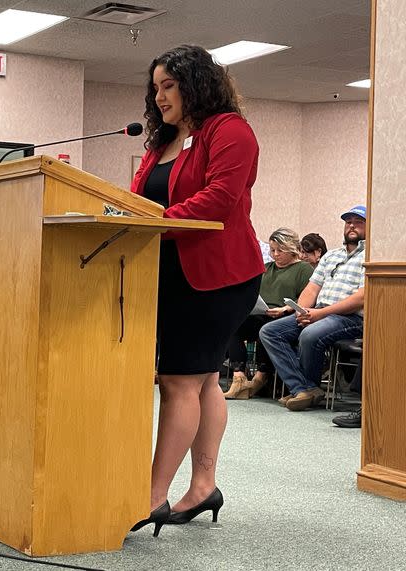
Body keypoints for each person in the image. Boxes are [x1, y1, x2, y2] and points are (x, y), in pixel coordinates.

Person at [128, 45, 264, 536]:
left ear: (196, 84)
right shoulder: (161, 139)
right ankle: (203, 485)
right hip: (170, 271)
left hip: (219, 275)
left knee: (179, 380)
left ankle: (152, 495)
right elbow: (140, 198)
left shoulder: (229, 130)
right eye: (156, 87)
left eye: (170, 86)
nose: (160, 96)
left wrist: (154, 222)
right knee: (203, 379)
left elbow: (220, 200)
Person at [258, 206, 366, 411]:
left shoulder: (370, 256)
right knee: (270, 331)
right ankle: (304, 389)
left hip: (350, 318)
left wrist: (320, 314)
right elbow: (312, 288)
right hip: (319, 313)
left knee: (309, 334)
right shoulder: (332, 256)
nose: (351, 225)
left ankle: (306, 389)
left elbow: (361, 298)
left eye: (358, 221)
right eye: (348, 221)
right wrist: (303, 311)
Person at [224, 228, 313, 399]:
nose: (275, 254)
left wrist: (285, 309)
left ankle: (261, 376)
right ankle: (239, 377)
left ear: (292, 249)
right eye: (272, 250)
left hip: (287, 316)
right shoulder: (266, 268)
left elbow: (306, 301)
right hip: (261, 313)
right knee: (232, 323)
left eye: (280, 250)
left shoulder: (304, 269)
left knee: (268, 328)